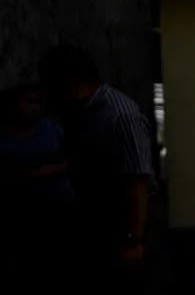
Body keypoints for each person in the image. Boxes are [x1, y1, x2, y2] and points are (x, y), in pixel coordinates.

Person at [38, 45, 155, 294]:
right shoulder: (81, 114)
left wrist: (132, 239)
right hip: (98, 228)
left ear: (70, 83)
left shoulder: (118, 115)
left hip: (127, 231)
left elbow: (137, 183)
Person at [0, 83, 75, 293]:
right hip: (18, 212)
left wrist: (48, 171)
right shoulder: (5, 135)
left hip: (57, 207)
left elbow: (74, 157)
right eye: (29, 102)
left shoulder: (49, 129)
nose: (34, 108)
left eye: (37, 103)